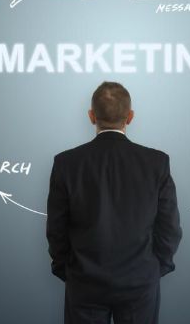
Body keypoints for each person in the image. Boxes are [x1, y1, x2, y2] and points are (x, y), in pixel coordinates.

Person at [46, 81, 182, 324]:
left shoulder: (66, 163)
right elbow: (170, 228)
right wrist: (154, 270)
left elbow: (56, 230)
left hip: (84, 283)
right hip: (139, 283)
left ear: (91, 116)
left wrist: (69, 271)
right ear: (130, 117)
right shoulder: (156, 163)